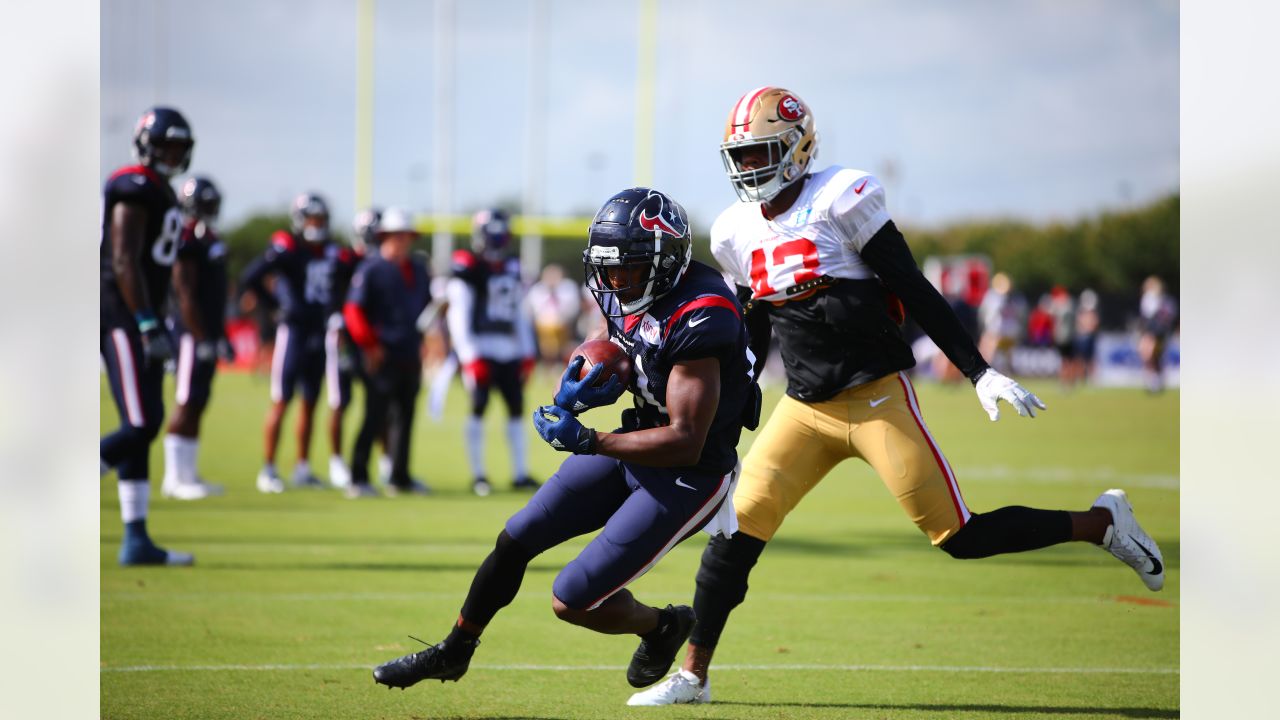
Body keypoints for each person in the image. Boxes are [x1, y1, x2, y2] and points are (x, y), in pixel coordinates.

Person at [629, 87, 1165, 706]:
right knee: (733, 537)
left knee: (958, 536)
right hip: (803, 409)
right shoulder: (733, 231)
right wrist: (731, 398)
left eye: (762, 153)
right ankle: (694, 676)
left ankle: (1102, 524)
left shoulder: (840, 198)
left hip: (876, 399)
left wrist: (978, 370)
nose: (749, 168)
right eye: (741, 156)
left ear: (798, 149)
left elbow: (910, 284)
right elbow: (752, 326)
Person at [371, 188, 757, 692]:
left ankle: (663, 627)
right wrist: (577, 385)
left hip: (692, 470)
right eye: (609, 269)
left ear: (664, 263)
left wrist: (590, 439)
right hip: (637, 437)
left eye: (629, 269)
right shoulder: (629, 288)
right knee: (516, 537)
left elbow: (685, 440)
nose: (615, 281)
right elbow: (611, 336)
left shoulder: (702, 314)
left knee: (571, 598)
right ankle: (454, 650)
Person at [99, 106, 196, 565]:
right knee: (140, 424)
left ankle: (135, 536)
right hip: (122, 316)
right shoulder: (133, 185)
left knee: (144, 422)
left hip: (144, 316)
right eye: (165, 145)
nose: (172, 154)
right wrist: (144, 321)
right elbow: (123, 259)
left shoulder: (162, 191)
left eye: (179, 147)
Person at [240, 192, 346, 492]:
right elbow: (252, 277)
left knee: (311, 402)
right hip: (294, 331)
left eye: (321, 219)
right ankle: (269, 468)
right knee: (282, 398)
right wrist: (275, 305)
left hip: (319, 331)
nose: (317, 224)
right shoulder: (287, 248)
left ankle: (302, 467)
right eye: (312, 218)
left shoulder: (329, 251)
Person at [446, 209, 540, 496]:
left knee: (516, 409)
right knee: (479, 406)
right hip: (481, 347)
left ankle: (520, 473)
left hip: (508, 349)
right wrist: (469, 355)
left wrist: (527, 351)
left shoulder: (512, 266)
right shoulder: (469, 265)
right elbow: (458, 313)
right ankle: (479, 475)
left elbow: (520, 314)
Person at [342, 208, 433, 498]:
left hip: (409, 352)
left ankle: (399, 477)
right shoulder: (371, 268)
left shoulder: (418, 269)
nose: (404, 241)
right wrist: (369, 345)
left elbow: (426, 309)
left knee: (405, 416)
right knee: (374, 415)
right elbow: (353, 312)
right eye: (398, 235)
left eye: (407, 236)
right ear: (387, 237)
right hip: (381, 354)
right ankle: (358, 476)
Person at [161, 176, 231, 500]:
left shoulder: (209, 238)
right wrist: (200, 335)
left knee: (199, 401)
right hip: (190, 334)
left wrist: (219, 335)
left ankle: (189, 473)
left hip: (207, 332)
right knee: (186, 400)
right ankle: (173, 477)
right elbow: (184, 291)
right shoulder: (186, 238)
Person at [324, 207, 379, 489]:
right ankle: (336, 462)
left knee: (378, 403)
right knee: (340, 401)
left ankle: (385, 462)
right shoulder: (345, 259)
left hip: (373, 340)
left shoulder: (383, 263)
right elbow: (333, 300)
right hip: (345, 337)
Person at [527, 263, 582, 365]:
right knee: (548, 347)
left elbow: (573, 307)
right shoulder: (537, 290)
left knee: (563, 347)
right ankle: (549, 363)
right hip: (543, 324)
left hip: (563, 324)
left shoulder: (568, 288)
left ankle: (561, 363)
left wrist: (563, 318)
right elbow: (533, 309)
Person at [1138, 275, 1178, 393]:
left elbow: (1168, 318)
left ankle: (1156, 382)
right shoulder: (1148, 299)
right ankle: (1152, 381)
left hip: (1159, 334)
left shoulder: (1166, 301)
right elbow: (1145, 318)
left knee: (1156, 358)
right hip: (1149, 333)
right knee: (1148, 357)